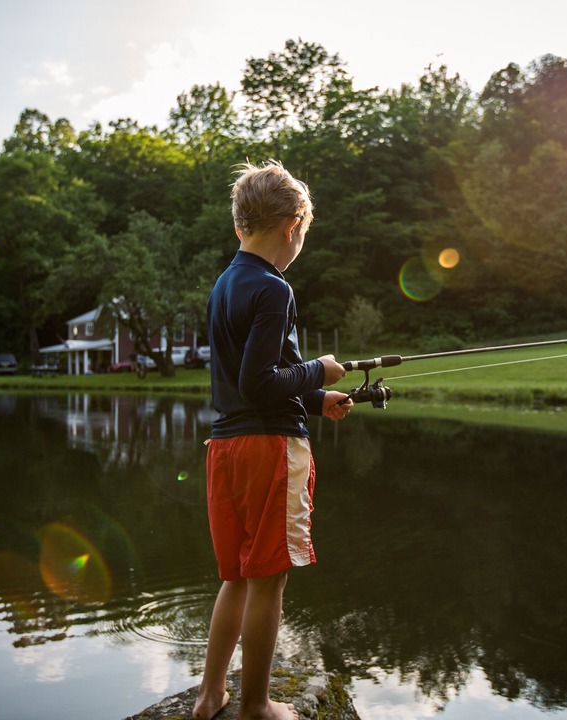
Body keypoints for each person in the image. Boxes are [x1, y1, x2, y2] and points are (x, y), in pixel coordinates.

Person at [193, 160, 353, 720]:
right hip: (270, 452)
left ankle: (210, 695)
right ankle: (256, 706)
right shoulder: (274, 288)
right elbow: (262, 383)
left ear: (239, 225)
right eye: (302, 234)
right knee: (268, 579)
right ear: (292, 228)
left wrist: (316, 397)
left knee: (236, 577)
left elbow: (252, 381)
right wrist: (319, 370)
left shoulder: (224, 285)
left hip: (225, 449)